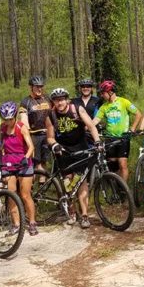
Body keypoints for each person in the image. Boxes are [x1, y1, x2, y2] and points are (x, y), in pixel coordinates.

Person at [46, 88, 101, 229]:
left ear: (67, 100)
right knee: (68, 182)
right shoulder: (51, 115)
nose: (60, 102)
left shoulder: (77, 109)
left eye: (62, 99)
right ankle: (71, 212)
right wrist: (55, 145)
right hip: (63, 151)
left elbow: (91, 126)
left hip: (80, 148)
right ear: (53, 102)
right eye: (57, 100)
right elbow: (50, 137)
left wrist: (97, 141)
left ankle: (84, 215)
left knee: (82, 182)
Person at [0, 101, 38, 236]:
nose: (8, 121)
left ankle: (32, 222)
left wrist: (26, 157)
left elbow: (31, 146)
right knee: (11, 194)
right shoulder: (2, 128)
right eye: (6, 119)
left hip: (23, 161)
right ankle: (16, 224)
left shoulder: (22, 128)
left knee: (25, 195)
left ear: (14, 116)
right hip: (8, 162)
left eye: (10, 119)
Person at [93, 80, 141, 182]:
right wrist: (87, 127)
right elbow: (96, 120)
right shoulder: (104, 106)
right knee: (112, 164)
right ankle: (115, 186)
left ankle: (123, 190)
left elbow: (138, 114)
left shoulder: (124, 102)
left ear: (110, 92)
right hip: (110, 138)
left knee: (122, 163)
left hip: (123, 138)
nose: (102, 95)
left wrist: (132, 128)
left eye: (103, 93)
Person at [19, 76, 52, 174]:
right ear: (31, 87)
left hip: (47, 134)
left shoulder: (47, 99)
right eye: (37, 87)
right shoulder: (26, 101)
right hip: (34, 134)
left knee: (44, 160)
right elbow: (23, 118)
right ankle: (32, 183)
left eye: (41, 86)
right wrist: (27, 131)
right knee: (35, 161)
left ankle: (43, 183)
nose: (39, 89)